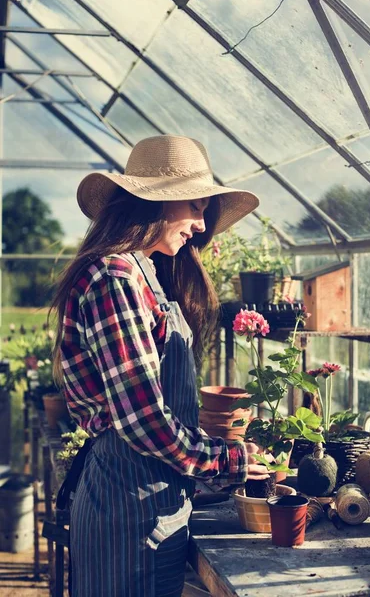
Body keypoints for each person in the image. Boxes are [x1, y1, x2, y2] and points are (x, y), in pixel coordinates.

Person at [51, 135, 268, 597]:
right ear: (155, 202)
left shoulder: (144, 273)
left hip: (150, 500)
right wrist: (229, 460)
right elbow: (145, 421)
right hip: (129, 508)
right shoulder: (115, 278)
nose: (200, 223)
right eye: (194, 206)